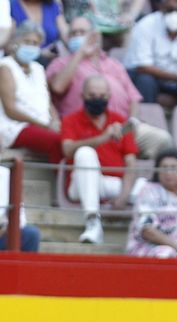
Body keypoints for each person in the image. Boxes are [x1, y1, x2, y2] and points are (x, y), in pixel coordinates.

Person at [48, 16, 170, 158]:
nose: (77, 37)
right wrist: (80, 53)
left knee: (162, 140)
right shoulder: (61, 63)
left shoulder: (114, 64)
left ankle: (141, 176)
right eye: (73, 34)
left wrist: (132, 124)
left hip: (121, 129)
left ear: (95, 35)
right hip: (84, 130)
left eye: (82, 32)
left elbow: (134, 98)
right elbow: (57, 87)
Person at [60, 75, 136, 244]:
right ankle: (93, 222)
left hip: (110, 184)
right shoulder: (71, 120)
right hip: (79, 184)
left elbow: (131, 162)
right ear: (82, 96)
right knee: (84, 153)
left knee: (145, 189)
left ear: (109, 97)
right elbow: (67, 150)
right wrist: (103, 138)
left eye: (102, 96)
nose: (97, 100)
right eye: (92, 96)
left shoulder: (120, 121)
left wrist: (124, 195)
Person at [0, 22, 62, 160]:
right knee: (59, 142)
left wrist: (56, 120)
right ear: (16, 42)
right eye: (27, 41)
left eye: (35, 43)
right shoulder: (5, 66)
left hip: (41, 125)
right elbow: (10, 110)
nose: (30, 46)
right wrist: (44, 125)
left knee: (73, 139)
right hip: (14, 127)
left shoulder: (38, 69)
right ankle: (65, 179)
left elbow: (47, 101)